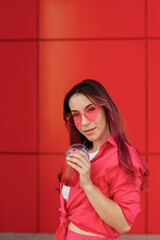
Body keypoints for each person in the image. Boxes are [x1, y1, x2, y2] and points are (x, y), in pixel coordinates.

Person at [55, 79, 149, 240]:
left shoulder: (123, 156)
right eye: (76, 115)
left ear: (107, 109)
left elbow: (124, 223)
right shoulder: (82, 150)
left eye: (91, 109)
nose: (84, 122)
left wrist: (87, 185)